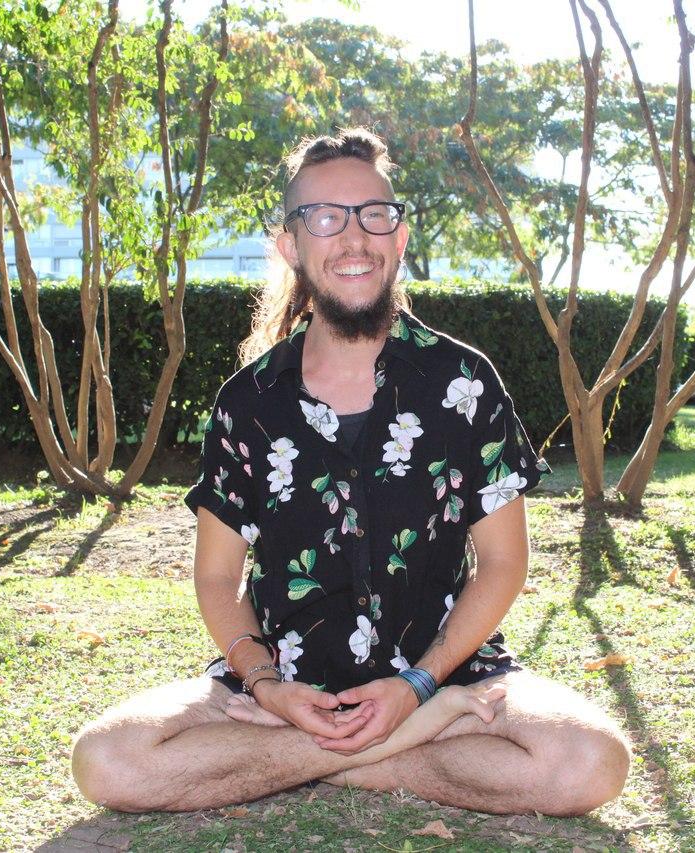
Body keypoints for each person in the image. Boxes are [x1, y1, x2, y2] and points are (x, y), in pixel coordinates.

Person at [71, 128, 630, 816]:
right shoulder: (248, 403)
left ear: (398, 239)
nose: (355, 236)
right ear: (292, 246)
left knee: (590, 761)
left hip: (447, 673)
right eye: (326, 217)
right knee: (106, 760)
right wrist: (267, 685)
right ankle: (379, 752)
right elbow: (218, 578)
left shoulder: (464, 383)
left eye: (375, 214)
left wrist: (421, 685)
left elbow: (504, 563)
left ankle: (307, 763)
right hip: (278, 694)